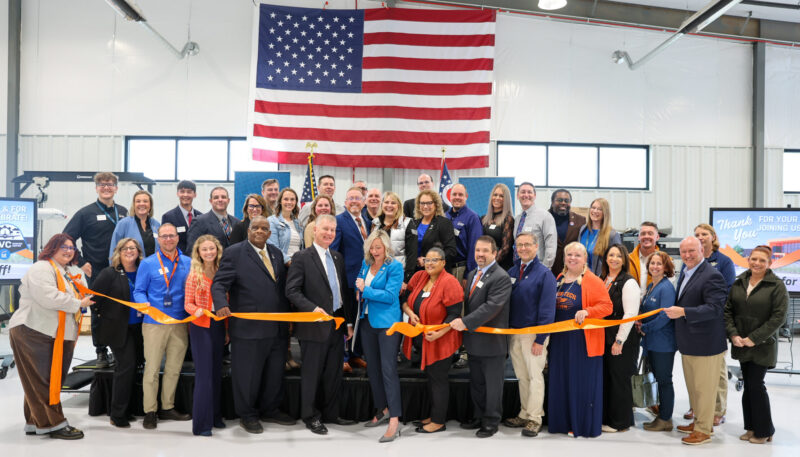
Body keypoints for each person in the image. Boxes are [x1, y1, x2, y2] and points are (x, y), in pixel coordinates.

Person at [211, 217, 295, 434]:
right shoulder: (234, 253)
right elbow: (219, 283)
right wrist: (220, 304)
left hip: (277, 327)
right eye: (255, 227)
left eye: (264, 228)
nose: (259, 231)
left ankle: (271, 409)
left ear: (269, 233)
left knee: (274, 373)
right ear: (248, 231)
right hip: (249, 329)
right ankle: (247, 414)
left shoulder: (276, 253)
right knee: (247, 375)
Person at [8, 234, 93, 439]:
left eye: (72, 248)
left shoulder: (65, 272)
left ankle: (34, 421)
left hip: (52, 333)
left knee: (37, 380)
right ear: (51, 248)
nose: (68, 250)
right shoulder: (41, 268)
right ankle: (53, 424)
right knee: (46, 381)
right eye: (63, 246)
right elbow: (48, 297)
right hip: (33, 330)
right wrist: (78, 304)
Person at [286, 214, 356, 435]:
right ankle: (310, 415)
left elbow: (342, 292)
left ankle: (331, 413)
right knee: (312, 374)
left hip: (336, 325)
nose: (329, 233)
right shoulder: (301, 257)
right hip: (313, 326)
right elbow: (292, 291)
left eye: (333, 230)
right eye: (325, 229)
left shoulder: (337, 257)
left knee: (333, 373)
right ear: (315, 230)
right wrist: (311, 309)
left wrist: (348, 323)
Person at [663, 237, 728, 445]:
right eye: (684, 252)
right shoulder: (686, 271)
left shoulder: (712, 276)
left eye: (692, 251)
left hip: (706, 345)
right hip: (690, 342)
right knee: (694, 388)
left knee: (704, 390)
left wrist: (683, 312)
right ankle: (699, 421)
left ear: (702, 250)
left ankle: (704, 430)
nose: (687, 255)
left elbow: (715, 309)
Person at [547, 242, 612, 438]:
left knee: (581, 383)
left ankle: (581, 424)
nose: (572, 258)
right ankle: (561, 422)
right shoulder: (559, 278)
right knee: (561, 380)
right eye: (569, 255)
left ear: (585, 259)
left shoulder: (593, 281)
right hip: (560, 341)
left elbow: (607, 307)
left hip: (583, 342)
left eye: (577, 255)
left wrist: (588, 311)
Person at [724, 245, 788, 444]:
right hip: (741, 343)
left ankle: (764, 431)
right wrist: (733, 334)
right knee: (749, 387)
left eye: (762, 260)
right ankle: (751, 427)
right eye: (754, 259)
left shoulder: (776, 285)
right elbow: (728, 311)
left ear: (769, 263)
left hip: (762, 345)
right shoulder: (739, 282)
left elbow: (779, 317)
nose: (757, 263)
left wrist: (754, 338)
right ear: (748, 260)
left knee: (755, 385)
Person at [63, 172, 128, 368]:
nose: (106, 187)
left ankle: (119, 349)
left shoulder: (124, 211)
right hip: (97, 270)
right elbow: (66, 238)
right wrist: (80, 261)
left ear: (116, 188)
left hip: (122, 269)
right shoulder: (85, 213)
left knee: (121, 308)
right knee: (98, 309)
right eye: (102, 184)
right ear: (96, 188)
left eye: (110, 184)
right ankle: (101, 351)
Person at [450, 236, 513, 438]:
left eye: (485, 251)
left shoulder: (500, 277)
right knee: (477, 383)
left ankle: (491, 421)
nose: (480, 254)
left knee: (493, 386)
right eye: (477, 250)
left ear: (494, 253)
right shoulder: (473, 273)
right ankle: (478, 416)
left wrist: (465, 322)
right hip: (474, 341)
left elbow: (491, 307)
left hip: (492, 344)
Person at [133, 223, 192, 429]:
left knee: (174, 369)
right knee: (152, 369)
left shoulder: (188, 262)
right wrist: (144, 303)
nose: (168, 239)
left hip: (179, 323)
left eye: (172, 236)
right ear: (159, 239)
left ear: (177, 238)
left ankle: (168, 407)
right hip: (154, 324)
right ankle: (150, 410)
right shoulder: (148, 264)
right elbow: (139, 290)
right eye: (164, 236)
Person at [402, 247, 463, 434]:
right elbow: (404, 299)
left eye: (434, 260)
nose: (429, 264)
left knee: (438, 379)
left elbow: (454, 314)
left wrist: (439, 333)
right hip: (423, 339)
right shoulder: (419, 277)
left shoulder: (450, 282)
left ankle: (438, 421)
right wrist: (411, 313)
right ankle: (433, 414)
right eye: (427, 260)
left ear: (443, 263)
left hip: (442, 339)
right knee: (431, 378)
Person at [683, 222, 736, 425]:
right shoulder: (690, 261)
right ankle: (697, 407)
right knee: (696, 371)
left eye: (704, 233)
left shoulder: (723, 262)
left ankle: (717, 409)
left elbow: (727, 294)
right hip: (693, 322)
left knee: (717, 369)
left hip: (713, 322)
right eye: (696, 234)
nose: (700, 236)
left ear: (713, 237)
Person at [503, 232, 556, 437]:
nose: (523, 248)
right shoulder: (513, 270)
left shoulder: (544, 274)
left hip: (534, 335)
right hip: (514, 333)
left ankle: (535, 418)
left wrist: (540, 339)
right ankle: (524, 413)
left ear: (536, 247)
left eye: (527, 244)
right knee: (522, 377)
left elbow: (547, 310)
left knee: (535, 377)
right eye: (519, 245)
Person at [355, 230, 404, 442]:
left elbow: (391, 296)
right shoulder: (366, 264)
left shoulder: (395, 266)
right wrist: (359, 291)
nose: (375, 251)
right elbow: (358, 286)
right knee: (373, 369)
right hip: (366, 322)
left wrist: (365, 290)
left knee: (388, 369)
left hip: (387, 324)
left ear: (386, 248)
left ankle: (395, 419)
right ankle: (382, 409)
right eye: (372, 248)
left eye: (378, 247)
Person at [92, 238, 145, 429]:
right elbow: (94, 300)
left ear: (139, 252)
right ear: (118, 252)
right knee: (125, 367)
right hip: (118, 330)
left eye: (133, 248)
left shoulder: (142, 271)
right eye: (125, 248)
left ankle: (127, 408)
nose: (129, 251)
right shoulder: (109, 273)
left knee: (133, 367)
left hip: (139, 328)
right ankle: (117, 413)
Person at [183, 235, 226, 436]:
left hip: (218, 327)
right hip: (201, 327)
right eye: (204, 250)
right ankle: (201, 424)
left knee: (217, 373)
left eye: (212, 249)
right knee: (204, 376)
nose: (209, 252)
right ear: (198, 253)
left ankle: (216, 416)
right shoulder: (194, 275)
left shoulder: (221, 272)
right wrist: (196, 310)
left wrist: (226, 329)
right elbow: (187, 304)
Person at [599, 243, 640, 433]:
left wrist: (619, 340)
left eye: (618, 256)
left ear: (624, 260)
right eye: (611, 255)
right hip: (604, 337)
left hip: (622, 339)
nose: (614, 259)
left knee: (619, 380)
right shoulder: (603, 279)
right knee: (609, 378)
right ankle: (609, 417)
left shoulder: (629, 282)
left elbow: (630, 314)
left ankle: (621, 423)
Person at [332, 187, 372, 370]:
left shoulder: (367, 222)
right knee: (347, 319)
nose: (354, 201)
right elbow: (334, 252)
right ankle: (344, 357)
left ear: (363, 202)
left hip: (365, 281)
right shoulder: (339, 221)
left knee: (360, 318)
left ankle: (356, 354)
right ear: (345, 202)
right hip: (347, 281)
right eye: (350, 198)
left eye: (358, 198)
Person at [639, 251, 677, 432]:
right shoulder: (651, 286)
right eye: (652, 263)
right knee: (659, 379)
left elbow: (665, 316)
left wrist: (644, 328)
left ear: (666, 267)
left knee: (664, 380)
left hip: (663, 343)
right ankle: (662, 414)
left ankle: (666, 419)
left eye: (659, 264)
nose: (654, 266)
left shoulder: (666, 287)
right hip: (652, 342)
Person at [405, 190, 458, 279]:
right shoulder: (414, 223)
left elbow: (451, 251)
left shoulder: (444, 223)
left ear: (436, 204)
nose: (425, 206)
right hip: (415, 273)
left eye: (429, 203)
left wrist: (428, 260)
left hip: (435, 274)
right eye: (422, 203)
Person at [444, 183, 483, 284]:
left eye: (460, 195)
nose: (457, 197)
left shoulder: (472, 218)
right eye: (454, 194)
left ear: (466, 197)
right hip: (445, 268)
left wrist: (468, 274)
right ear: (450, 196)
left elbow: (474, 247)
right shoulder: (445, 216)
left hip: (461, 269)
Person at [513, 182, 556, 269]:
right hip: (519, 267)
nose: (526, 195)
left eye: (529, 192)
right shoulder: (518, 219)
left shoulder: (545, 216)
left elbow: (551, 245)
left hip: (537, 267)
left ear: (535, 196)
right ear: (518, 196)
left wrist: (544, 268)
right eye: (523, 192)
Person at [109, 190, 161, 260]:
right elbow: (114, 250)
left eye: (145, 201)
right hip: (130, 269)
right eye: (138, 201)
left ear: (150, 205)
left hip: (153, 268)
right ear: (134, 205)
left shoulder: (156, 225)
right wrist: (115, 269)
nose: (142, 204)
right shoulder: (123, 224)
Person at [186, 186, 241, 251]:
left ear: (228, 200)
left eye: (223, 197)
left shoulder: (237, 222)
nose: (220, 200)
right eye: (216, 197)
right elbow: (192, 249)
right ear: (211, 201)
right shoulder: (199, 222)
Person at [372, 191, 411, 279]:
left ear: (398, 206)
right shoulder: (375, 223)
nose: (389, 205)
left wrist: (407, 279)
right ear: (382, 205)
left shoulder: (407, 223)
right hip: (378, 274)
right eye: (386, 202)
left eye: (393, 203)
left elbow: (412, 254)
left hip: (398, 274)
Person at [578, 198, 621, 276]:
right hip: (581, 276)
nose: (595, 211)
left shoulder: (612, 235)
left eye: (599, 209)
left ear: (605, 213)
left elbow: (618, 260)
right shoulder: (583, 229)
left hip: (600, 279)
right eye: (593, 208)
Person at [548, 189, 585, 277]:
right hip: (549, 269)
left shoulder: (580, 221)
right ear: (552, 202)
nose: (563, 203)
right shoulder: (543, 218)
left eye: (566, 201)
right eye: (559, 200)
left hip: (572, 270)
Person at [161, 180, 202, 255]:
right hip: (177, 260)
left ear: (195, 195)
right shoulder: (168, 217)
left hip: (198, 261)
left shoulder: (201, 216)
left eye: (189, 192)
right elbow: (165, 242)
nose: (185, 195)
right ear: (177, 194)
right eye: (182, 191)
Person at [481, 183, 515, 271]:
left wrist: (490, 264)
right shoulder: (483, 219)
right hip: (484, 264)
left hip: (501, 266)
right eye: (495, 195)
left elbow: (506, 248)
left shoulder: (508, 220)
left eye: (501, 196)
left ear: (506, 200)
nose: (497, 198)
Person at [267, 188, 305, 265]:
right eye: (286, 199)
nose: (289, 202)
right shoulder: (272, 221)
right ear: (280, 201)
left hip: (298, 264)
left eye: (292, 199)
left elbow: (302, 247)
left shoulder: (299, 223)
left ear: (295, 202)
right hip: (283, 265)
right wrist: (289, 262)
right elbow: (273, 247)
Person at [628, 222, 660, 296]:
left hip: (655, 307)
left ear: (657, 237)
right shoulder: (627, 260)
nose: (646, 236)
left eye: (650, 233)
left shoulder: (666, 261)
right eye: (643, 234)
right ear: (639, 237)